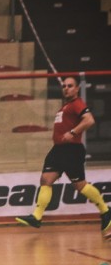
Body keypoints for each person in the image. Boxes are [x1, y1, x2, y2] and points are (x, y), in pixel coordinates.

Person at [15, 75, 109, 239]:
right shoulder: (66, 106)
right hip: (58, 150)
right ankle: (37, 217)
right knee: (46, 180)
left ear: (77, 88)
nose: (66, 88)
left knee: (80, 186)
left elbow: (89, 120)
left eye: (70, 86)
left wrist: (73, 132)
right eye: (64, 86)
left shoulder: (77, 103)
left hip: (71, 150)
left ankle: (105, 211)